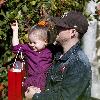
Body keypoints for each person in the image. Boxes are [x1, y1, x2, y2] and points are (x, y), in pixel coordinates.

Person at [25, 10, 92, 100]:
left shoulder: (78, 63)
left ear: (72, 32)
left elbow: (65, 97)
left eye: (61, 26)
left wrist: (35, 96)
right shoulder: (57, 53)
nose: (56, 27)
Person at [11, 20, 53, 92]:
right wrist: (15, 31)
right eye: (30, 42)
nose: (32, 45)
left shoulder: (50, 50)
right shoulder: (28, 49)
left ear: (45, 42)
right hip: (31, 82)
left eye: (34, 42)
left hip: (45, 83)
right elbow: (16, 48)